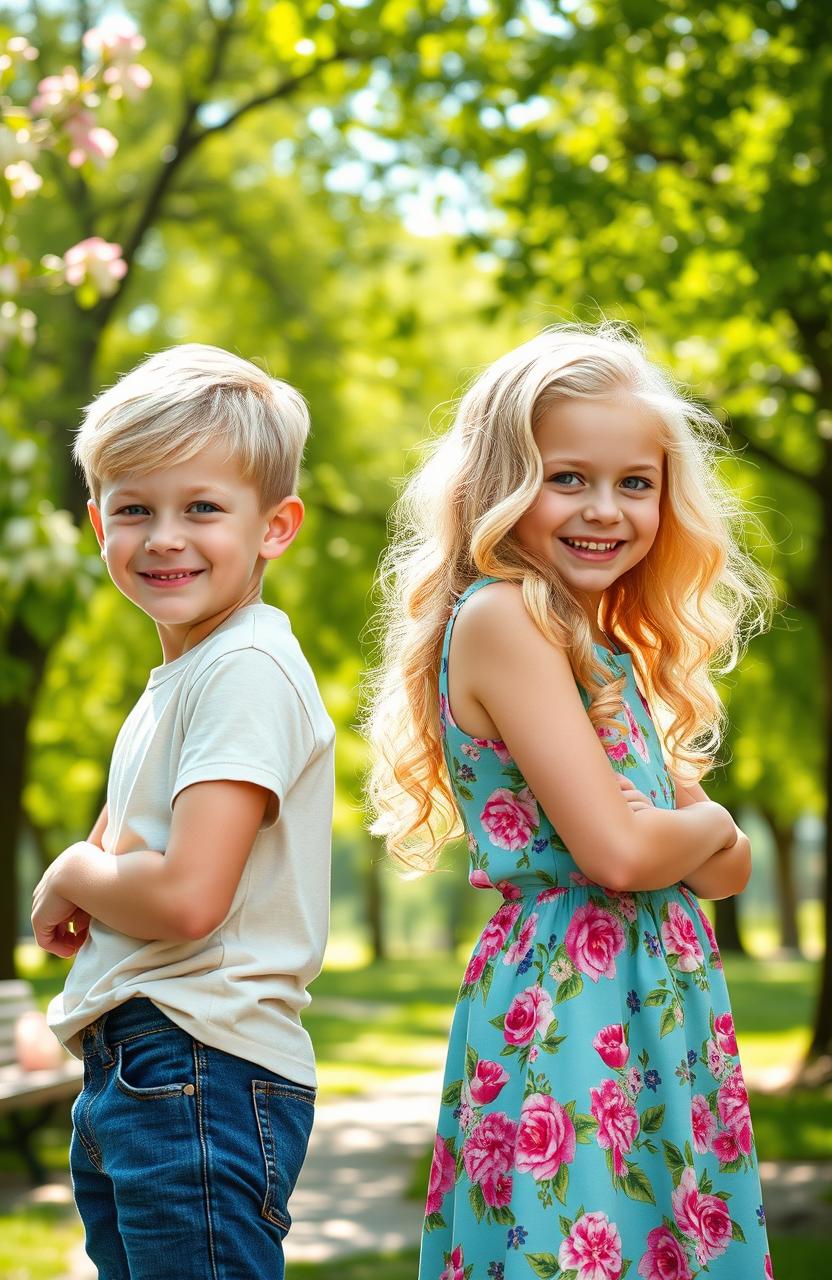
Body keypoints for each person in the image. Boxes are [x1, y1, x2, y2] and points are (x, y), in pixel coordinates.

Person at [365, 325, 776, 1279]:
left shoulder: (604, 646)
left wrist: (685, 832)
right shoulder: (506, 618)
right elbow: (626, 857)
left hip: (650, 1007)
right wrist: (699, 824)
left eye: (636, 482)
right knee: (585, 1245)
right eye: (567, 478)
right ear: (503, 484)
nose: (606, 510)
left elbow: (730, 872)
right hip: (576, 1005)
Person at [32, 344, 335, 1280]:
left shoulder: (244, 669)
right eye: (135, 509)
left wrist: (71, 873)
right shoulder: (188, 675)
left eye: (202, 507)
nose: (165, 536)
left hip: (196, 1062)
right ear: (97, 525)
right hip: (153, 1061)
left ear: (275, 526)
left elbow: (188, 898)